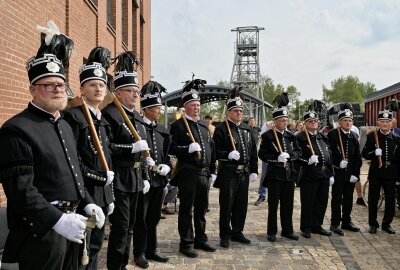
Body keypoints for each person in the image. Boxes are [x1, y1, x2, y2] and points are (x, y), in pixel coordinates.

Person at [0, 21, 104, 270]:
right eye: (49, 85)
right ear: (32, 89)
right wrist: (57, 220)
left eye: (60, 84)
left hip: (73, 227)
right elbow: (21, 191)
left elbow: (76, 171)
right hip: (41, 233)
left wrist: (87, 200)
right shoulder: (16, 130)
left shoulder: (66, 125)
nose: (58, 90)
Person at [63, 47, 115, 270]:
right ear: (82, 89)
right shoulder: (74, 117)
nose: (98, 89)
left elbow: (107, 161)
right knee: (80, 254)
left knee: (95, 248)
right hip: (84, 196)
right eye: (93, 84)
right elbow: (73, 163)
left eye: (102, 85)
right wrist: (98, 182)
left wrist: (109, 196)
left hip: (101, 196)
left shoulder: (102, 121)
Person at [102, 51, 151, 270]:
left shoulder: (137, 116)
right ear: (118, 93)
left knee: (132, 226)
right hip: (120, 177)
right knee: (120, 229)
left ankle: (122, 265)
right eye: (131, 91)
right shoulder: (110, 114)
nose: (135, 95)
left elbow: (144, 151)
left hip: (137, 177)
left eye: (137, 91)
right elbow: (107, 147)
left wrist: (146, 173)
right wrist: (130, 148)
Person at [169, 77, 217, 258]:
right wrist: (186, 149)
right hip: (188, 173)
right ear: (185, 106)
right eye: (193, 105)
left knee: (201, 209)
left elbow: (211, 150)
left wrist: (213, 171)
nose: (196, 107)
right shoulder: (178, 125)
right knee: (186, 209)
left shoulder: (204, 128)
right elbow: (171, 148)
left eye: (198, 105)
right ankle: (186, 242)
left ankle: (201, 239)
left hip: (204, 174)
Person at [130, 81, 171, 267]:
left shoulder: (162, 131)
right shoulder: (137, 126)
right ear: (146, 109)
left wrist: (167, 168)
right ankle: (139, 252)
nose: (160, 111)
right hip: (143, 180)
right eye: (156, 108)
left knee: (153, 218)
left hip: (159, 181)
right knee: (141, 219)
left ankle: (151, 250)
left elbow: (166, 155)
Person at [213, 86, 258, 248]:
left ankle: (237, 232)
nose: (239, 113)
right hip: (228, 173)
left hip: (244, 173)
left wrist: (254, 170)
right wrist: (227, 155)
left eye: (240, 110)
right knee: (227, 205)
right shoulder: (221, 129)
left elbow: (253, 151)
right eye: (235, 111)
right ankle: (225, 234)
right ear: (229, 112)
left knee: (241, 205)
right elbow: (215, 151)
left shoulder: (247, 129)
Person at [258, 102, 300, 242]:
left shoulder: (291, 136)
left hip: (289, 175)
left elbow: (297, 152)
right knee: (273, 205)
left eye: (286, 120)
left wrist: (291, 156)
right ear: (275, 122)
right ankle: (271, 231)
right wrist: (276, 158)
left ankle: (287, 230)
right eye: (282, 120)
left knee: (288, 205)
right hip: (275, 175)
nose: (285, 122)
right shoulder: (268, 136)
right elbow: (262, 154)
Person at [296, 110, 333, 238]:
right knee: (308, 202)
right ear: (305, 123)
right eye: (310, 121)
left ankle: (317, 225)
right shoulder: (300, 137)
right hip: (309, 174)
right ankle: (306, 227)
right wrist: (307, 161)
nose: (313, 123)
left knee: (321, 202)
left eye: (315, 121)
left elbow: (329, 155)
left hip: (324, 174)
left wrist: (331, 173)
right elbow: (296, 157)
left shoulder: (323, 136)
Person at [362, 109, 400, 234]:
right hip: (376, 173)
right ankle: (373, 224)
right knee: (373, 199)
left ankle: (386, 224)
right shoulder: (372, 136)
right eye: (382, 121)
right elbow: (364, 154)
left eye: (387, 121)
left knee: (390, 199)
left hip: (391, 173)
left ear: (391, 123)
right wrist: (374, 153)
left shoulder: (396, 138)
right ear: (378, 122)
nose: (385, 124)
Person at [327, 108, 362, 236]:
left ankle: (346, 221)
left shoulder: (353, 136)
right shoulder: (333, 134)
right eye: (345, 121)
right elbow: (328, 155)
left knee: (348, 199)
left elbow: (357, 157)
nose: (348, 123)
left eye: (350, 121)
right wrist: (337, 164)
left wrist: (356, 174)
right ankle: (335, 223)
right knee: (336, 198)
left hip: (350, 174)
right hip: (338, 173)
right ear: (340, 122)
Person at [254, 121, 272, 206]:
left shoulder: (284, 124)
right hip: (268, 155)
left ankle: (273, 197)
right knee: (264, 175)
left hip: (279, 156)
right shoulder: (267, 124)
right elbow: (262, 137)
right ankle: (262, 195)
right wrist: (269, 130)